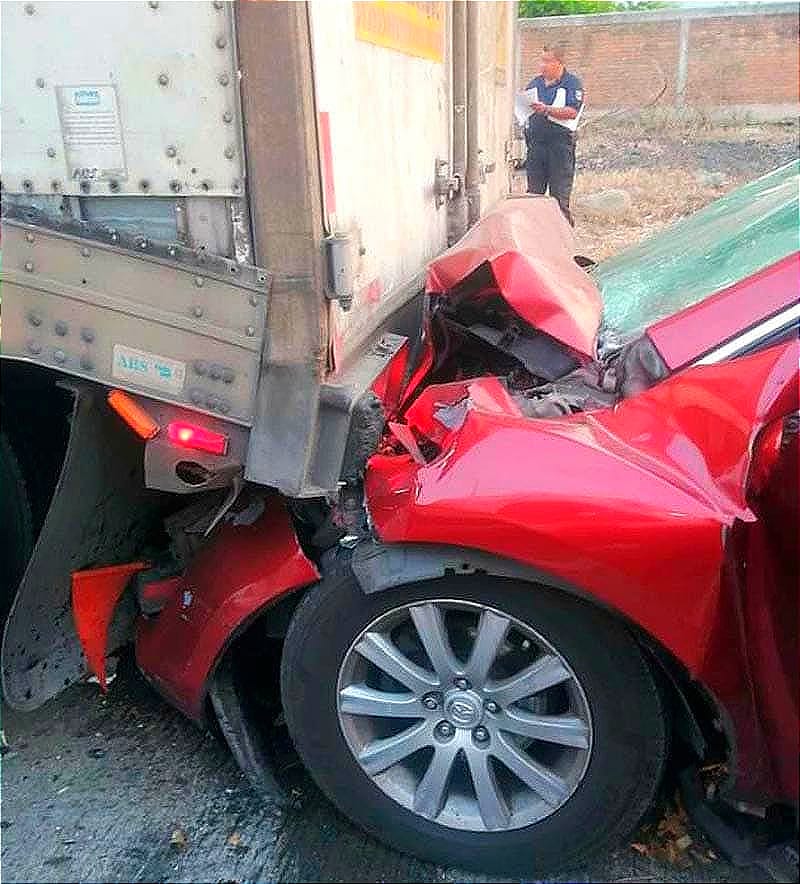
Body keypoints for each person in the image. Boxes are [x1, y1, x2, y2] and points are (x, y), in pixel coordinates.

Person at [524, 43, 584, 225]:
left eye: (547, 61)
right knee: (534, 195)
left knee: (559, 198)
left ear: (560, 63)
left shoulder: (572, 84)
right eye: (541, 60)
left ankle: (563, 239)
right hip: (536, 145)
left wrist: (547, 110)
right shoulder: (535, 84)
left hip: (559, 146)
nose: (542, 65)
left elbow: (572, 111)